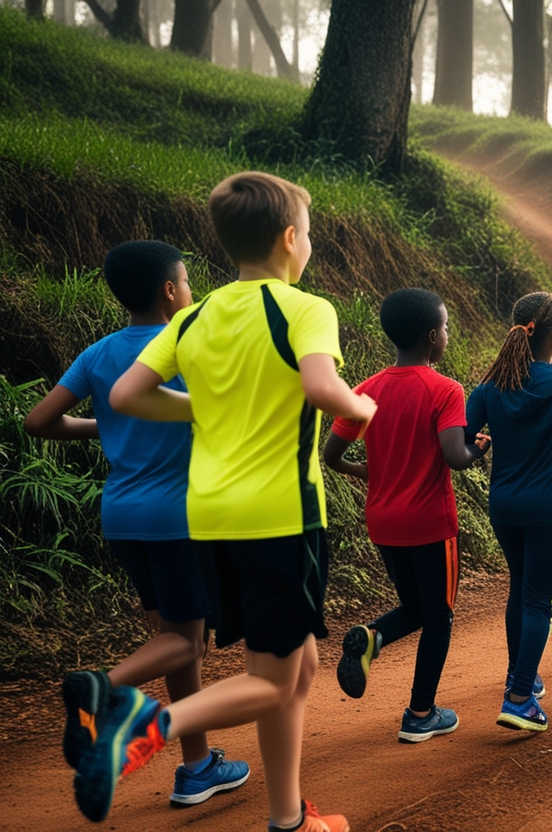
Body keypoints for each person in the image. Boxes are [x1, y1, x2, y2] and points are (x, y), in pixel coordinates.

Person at [97, 172, 374, 832]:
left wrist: (203, 404)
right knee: (277, 679)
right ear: (289, 239)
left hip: (209, 515)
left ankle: (288, 817)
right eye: (306, 233)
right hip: (280, 515)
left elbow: (126, 395)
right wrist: (361, 406)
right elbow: (323, 388)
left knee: (295, 667)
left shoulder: (195, 314)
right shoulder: (304, 308)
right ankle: (143, 724)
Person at [23, 241, 250, 808]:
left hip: (122, 512)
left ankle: (196, 767)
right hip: (179, 516)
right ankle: (103, 687)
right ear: (170, 292)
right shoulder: (189, 348)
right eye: (188, 282)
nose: (191, 292)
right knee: (186, 641)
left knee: (174, 642)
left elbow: (39, 421)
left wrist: (105, 426)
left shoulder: (99, 353)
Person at [323, 288, 486, 743]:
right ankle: (420, 713)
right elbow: (455, 456)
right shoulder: (445, 390)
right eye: (447, 327)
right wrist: (478, 447)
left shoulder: (367, 390)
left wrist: (367, 472)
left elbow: (332, 455)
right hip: (431, 524)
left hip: (384, 522)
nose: (448, 334)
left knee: (417, 607)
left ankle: (371, 638)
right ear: (433, 336)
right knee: (439, 617)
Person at [466, 291, 552, 733]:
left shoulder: (490, 387)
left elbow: (464, 438)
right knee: (540, 599)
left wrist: (483, 445)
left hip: (502, 505)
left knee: (519, 589)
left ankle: (520, 675)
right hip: (547, 507)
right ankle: (519, 697)